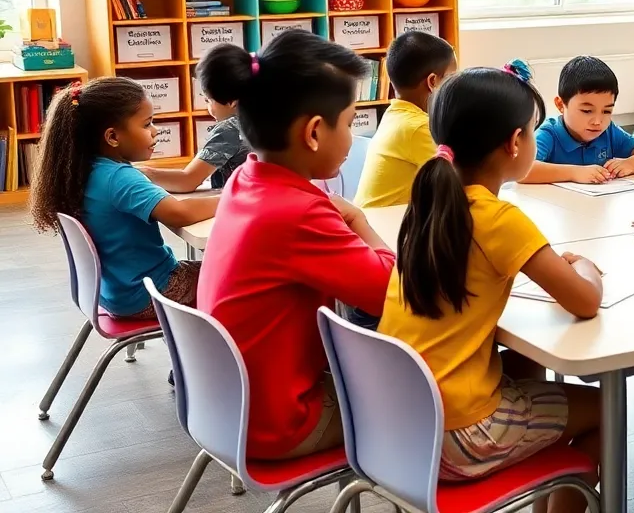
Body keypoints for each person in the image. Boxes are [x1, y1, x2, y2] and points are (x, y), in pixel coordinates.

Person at [378, 62, 603, 512]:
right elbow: (585, 301)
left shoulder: (428, 206)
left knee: (522, 363)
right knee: (603, 410)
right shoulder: (500, 219)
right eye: (534, 131)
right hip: (459, 435)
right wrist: (587, 267)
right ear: (516, 142)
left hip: (394, 425)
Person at [196, 31, 395, 460]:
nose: (352, 136)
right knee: (436, 402)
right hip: (280, 422)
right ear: (314, 133)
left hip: (227, 408)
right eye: (350, 121)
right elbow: (390, 291)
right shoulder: (298, 213)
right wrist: (360, 221)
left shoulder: (245, 179)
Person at [29, 78, 218, 319]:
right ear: (112, 137)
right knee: (238, 276)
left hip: (114, 292)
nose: (155, 131)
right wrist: (231, 198)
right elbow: (180, 214)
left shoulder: (83, 171)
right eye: (147, 124)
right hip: (152, 291)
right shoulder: (119, 178)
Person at [354, 31, 457, 208]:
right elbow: (462, 182)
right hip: (384, 227)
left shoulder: (396, 114)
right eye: (451, 79)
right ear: (432, 82)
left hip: (377, 222)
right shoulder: (417, 127)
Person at [521, 55, 634, 185]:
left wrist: (629, 164)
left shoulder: (609, 132)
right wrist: (574, 173)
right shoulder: (548, 133)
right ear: (560, 105)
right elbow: (523, 170)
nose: (597, 121)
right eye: (587, 111)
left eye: (607, 111)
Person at [139, 50, 252, 192]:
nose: (207, 109)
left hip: (240, 206)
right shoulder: (270, 118)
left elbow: (187, 180)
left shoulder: (230, 129)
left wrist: (139, 173)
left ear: (232, 102)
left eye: (208, 100)